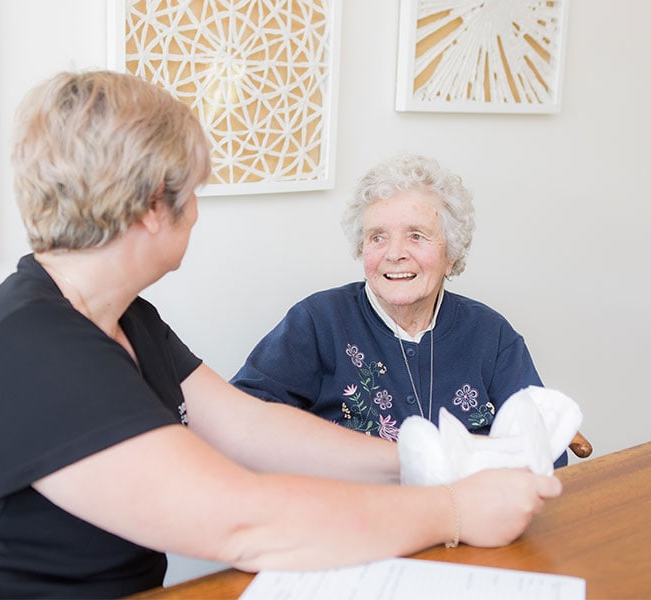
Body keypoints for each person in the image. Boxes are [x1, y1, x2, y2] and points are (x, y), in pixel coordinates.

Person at [0, 71, 561, 599]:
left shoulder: (120, 317)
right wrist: (452, 511)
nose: (199, 211)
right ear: (154, 206)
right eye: (194, 191)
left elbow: (249, 427)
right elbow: (246, 522)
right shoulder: (31, 351)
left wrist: (424, 459)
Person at [231, 153, 567, 466]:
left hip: (474, 516)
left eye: (416, 236)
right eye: (378, 237)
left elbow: (546, 447)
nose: (395, 253)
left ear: (451, 254)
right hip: (357, 515)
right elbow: (244, 416)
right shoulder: (319, 321)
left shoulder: (490, 334)